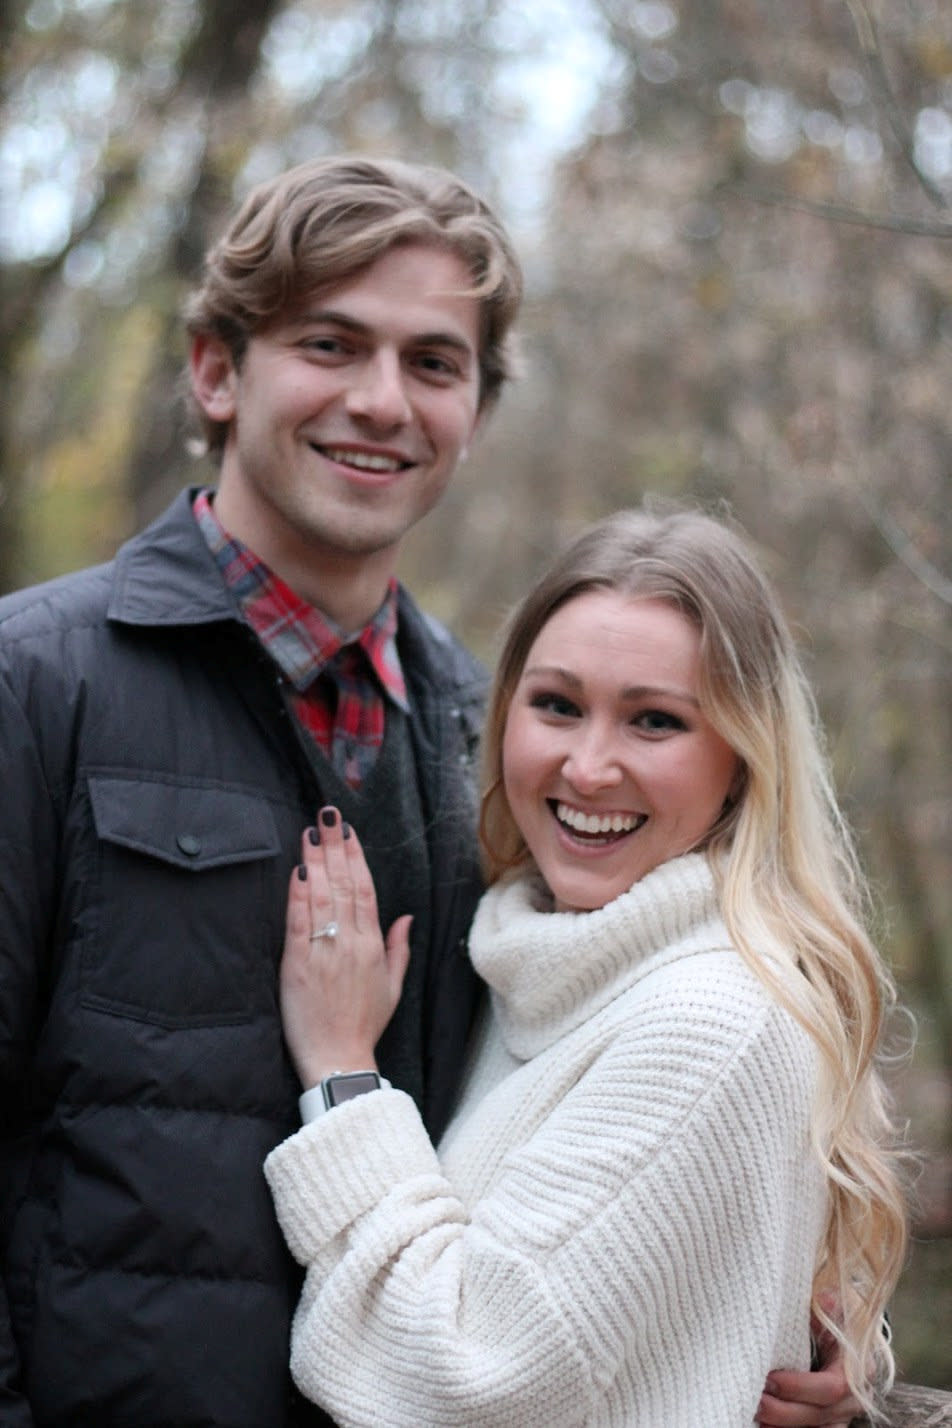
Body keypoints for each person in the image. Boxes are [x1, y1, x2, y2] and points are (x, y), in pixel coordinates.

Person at [0, 152, 860, 1427]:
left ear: (475, 408)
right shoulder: (37, 684)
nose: (381, 401)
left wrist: (782, 1318)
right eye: (330, 344)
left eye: (433, 363)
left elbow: (610, 1095)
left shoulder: (499, 735)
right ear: (216, 370)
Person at [265, 505, 908, 1428]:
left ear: (743, 757)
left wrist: (339, 1074)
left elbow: (458, 1382)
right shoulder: (544, 955)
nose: (590, 766)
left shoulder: (706, 1022)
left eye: (655, 721)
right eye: (557, 705)